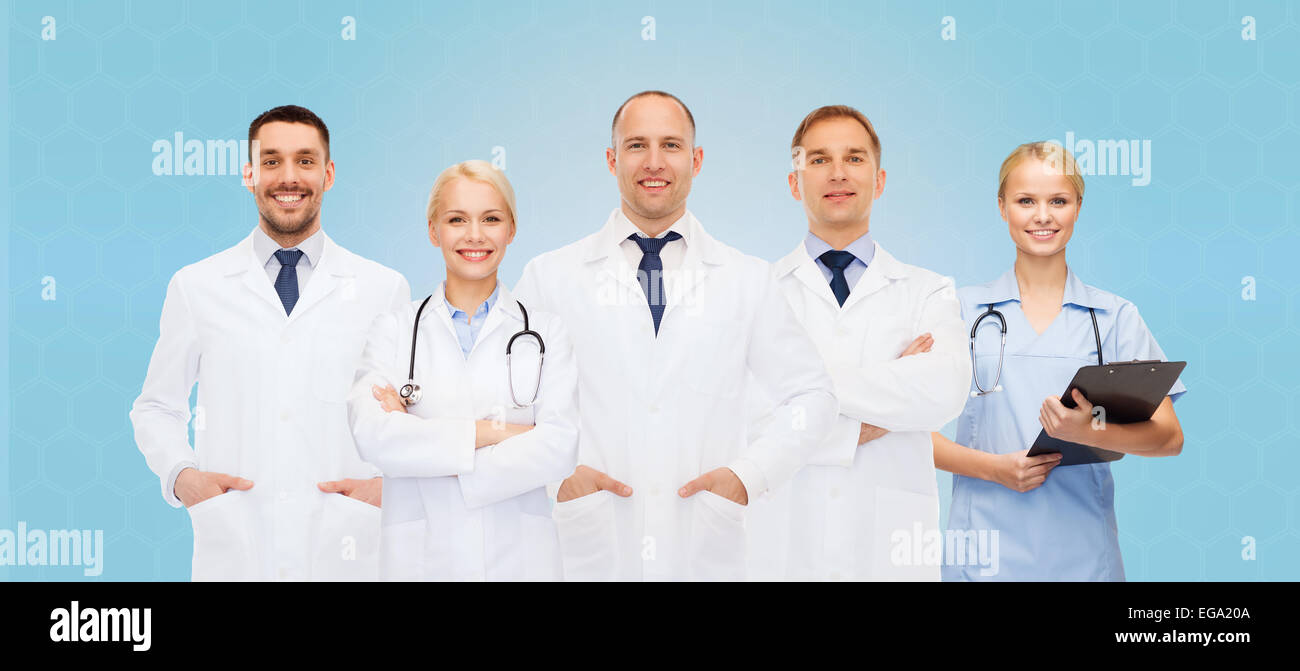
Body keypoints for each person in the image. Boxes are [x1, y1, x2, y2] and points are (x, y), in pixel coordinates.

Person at [513, 90, 837, 580]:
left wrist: (749, 477)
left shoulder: (746, 278)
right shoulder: (550, 276)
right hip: (590, 537)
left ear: (696, 159)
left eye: (671, 145)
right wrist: (555, 479)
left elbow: (812, 396)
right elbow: (508, 402)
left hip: (705, 539)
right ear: (612, 159)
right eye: (637, 145)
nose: (654, 162)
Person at [130, 105, 411, 580]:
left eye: (305, 161)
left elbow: (413, 417)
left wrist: (389, 488)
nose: (288, 177)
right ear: (249, 174)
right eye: (271, 160)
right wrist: (184, 478)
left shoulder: (383, 288)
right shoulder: (197, 286)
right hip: (236, 550)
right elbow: (157, 407)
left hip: (346, 550)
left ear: (329, 173)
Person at [932, 141, 1186, 581]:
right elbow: (907, 433)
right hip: (983, 557)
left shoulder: (1113, 318)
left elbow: (1168, 439)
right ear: (1002, 207)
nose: (1043, 216)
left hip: (1084, 559)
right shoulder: (960, 312)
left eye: (1058, 201)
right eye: (1025, 201)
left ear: (1078, 208)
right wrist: (994, 468)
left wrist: (1089, 430)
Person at [746, 105, 971, 580]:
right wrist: (890, 405)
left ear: (880, 179)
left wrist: (801, 396)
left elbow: (945, 390)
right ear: (794, 182)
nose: (838, 173)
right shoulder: (752, 292)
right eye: (819, 159)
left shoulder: (927, 289)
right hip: (782, 550)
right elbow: (744, 416)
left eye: (854, 158)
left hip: (890, 555)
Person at [346, 160, 578, 580]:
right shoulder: (394, 330)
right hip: (421, 562)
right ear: (434, 230)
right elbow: (373, 436)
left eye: (491, 218)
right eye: (457, 219)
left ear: (511, 229)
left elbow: (560, 447)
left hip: (520, 562)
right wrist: (492, 433)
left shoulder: (546, 332)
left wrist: (424, 447)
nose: (475, 234)